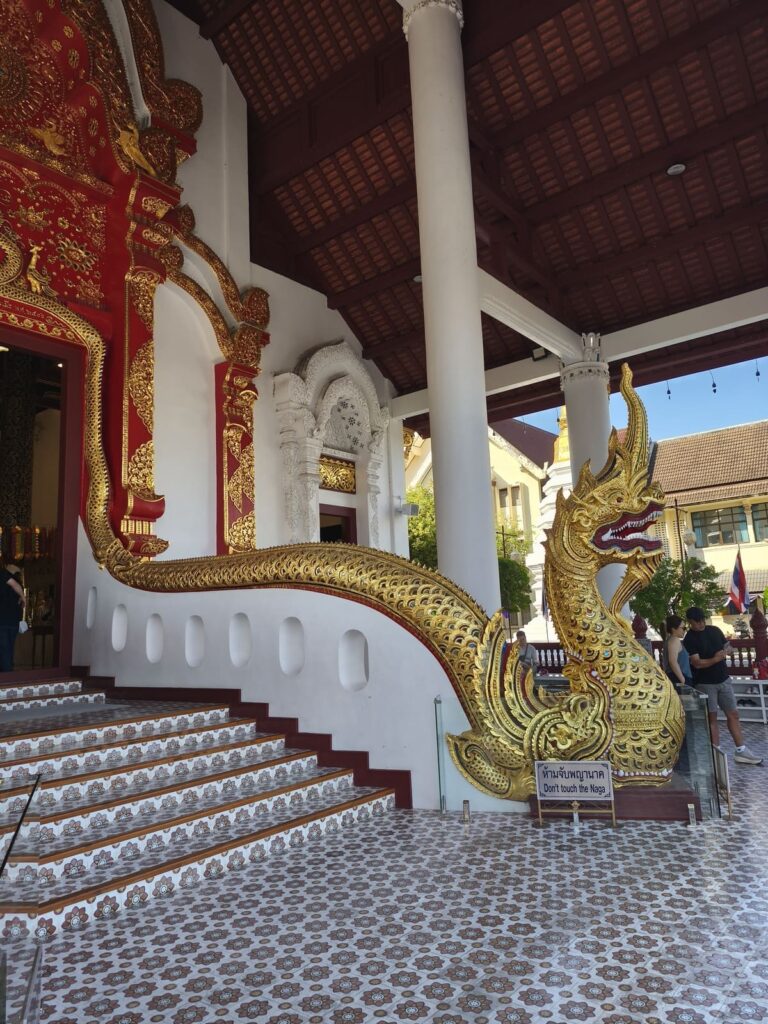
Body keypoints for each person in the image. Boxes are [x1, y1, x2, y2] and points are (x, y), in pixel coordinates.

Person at [683, 606, 763, 765]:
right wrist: (716, 659)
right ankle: (715, 754)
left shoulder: (714, 630)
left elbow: (727, 647)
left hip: (723, 679)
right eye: (695, 622)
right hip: (705, 683)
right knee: (711, 719)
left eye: (701, 621)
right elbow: (697, 663)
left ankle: (741, 750)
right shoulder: (689, 638)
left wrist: (729, 651)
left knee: (733, 714)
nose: (699, 625)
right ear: (690, 622)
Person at [0, 564, 26, 672]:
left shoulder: (2, 574)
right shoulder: (14, 579)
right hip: (13, 620)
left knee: (5, 650)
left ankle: (7, 679)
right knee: (8, 649)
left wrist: (24, 599)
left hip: (3, 621)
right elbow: (16, 587)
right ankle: (8, 675)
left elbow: (15, 585)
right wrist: (23, 599)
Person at [664, 614, 692, 690]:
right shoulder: (674, 640)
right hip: (678, 677)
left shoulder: (670, 640)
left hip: (677, 677)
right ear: (673, 629)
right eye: (683, 628)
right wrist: (683, 680)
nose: (684, 630)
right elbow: (672, 661)